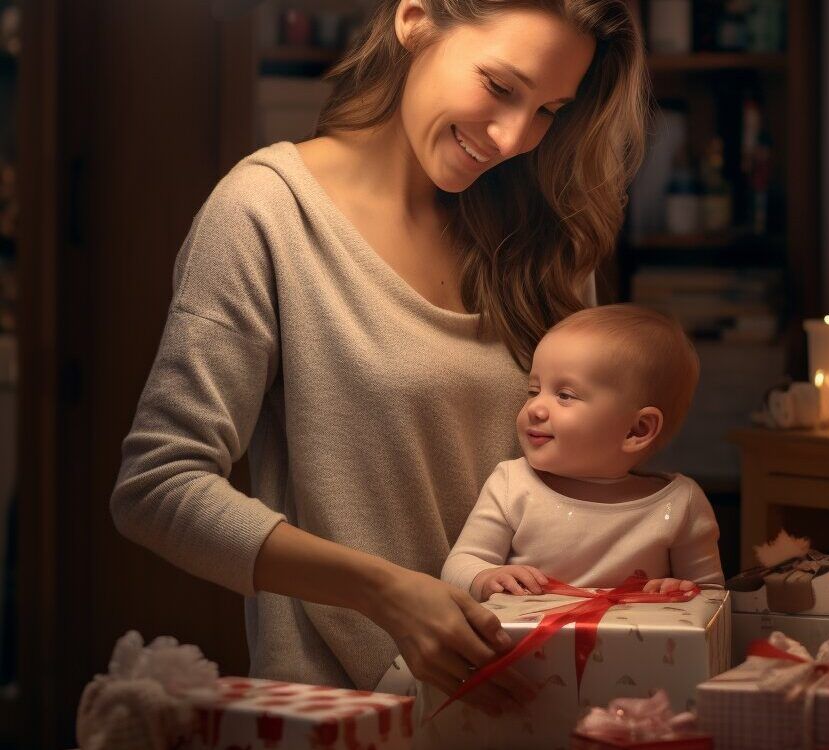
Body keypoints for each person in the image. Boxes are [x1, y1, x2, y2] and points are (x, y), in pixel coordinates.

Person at [110, 0, 649, 716]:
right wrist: (387, 592)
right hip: (349, 713)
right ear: (415, 20)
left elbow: (576, 476)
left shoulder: (543, 239)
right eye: (499, 87)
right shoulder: (266, 214)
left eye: (549, 109)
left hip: (538, 704)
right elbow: (157, 488)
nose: (515, 137)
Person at [441, 304, 724, 602]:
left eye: (564, 395)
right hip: (527, 647)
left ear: (637, 430)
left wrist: (683, 590)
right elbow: (458, 565)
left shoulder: (680, 505)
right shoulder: (512, 485)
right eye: (534, 390)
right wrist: (485, 577)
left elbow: (713, 600)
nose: (535, 408)